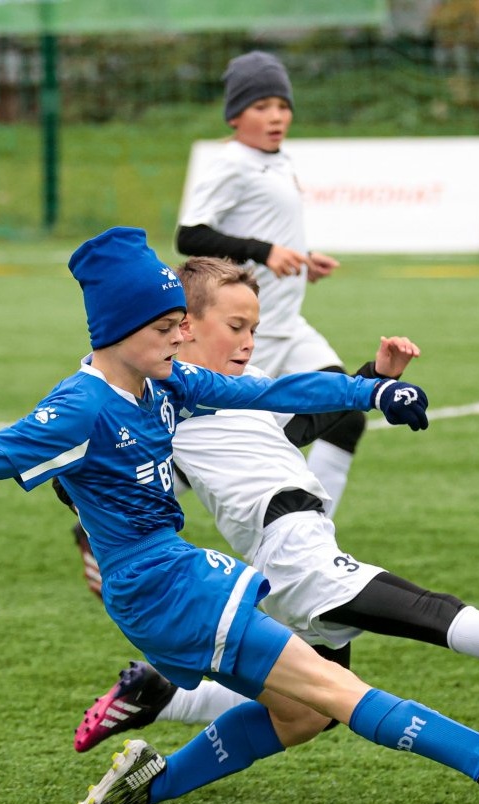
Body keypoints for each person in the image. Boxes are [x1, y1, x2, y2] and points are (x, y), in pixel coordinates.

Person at [0, 226, 479, 804]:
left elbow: (270, 393)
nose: (180, 337)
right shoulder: (79, 407)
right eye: (168, 325)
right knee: (333, 685)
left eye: (180, 323)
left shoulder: (164, 386)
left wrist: (373, 392)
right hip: (167, 589)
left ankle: (147, 786)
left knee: (296, 715)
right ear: (121, 328)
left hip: (164, 588)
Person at [66, 256, 479, 755]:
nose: (249, 341)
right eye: (236, 326)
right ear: (182, 328)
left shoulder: (243, 383)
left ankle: (158, 698)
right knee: (434, 613)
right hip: (292, 555)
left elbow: (304, 422)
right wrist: (89, 518)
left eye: (255, 328)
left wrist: (375, 380)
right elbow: (97, 457)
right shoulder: (160, 399)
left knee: (313, 701)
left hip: (303, 545)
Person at [176, 51, 358, 518]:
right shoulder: (231, 163)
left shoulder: (278, 161)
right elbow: (190, 235)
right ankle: (116, 513)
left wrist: (301, 259)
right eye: (261, 106)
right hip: (248, 328)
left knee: (346, 413)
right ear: (236, 115)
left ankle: (315, 527)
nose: (275, 116)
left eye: (282, 105)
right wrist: (266, 252)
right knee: (243, 435)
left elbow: (268, 232)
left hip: (284, 322)